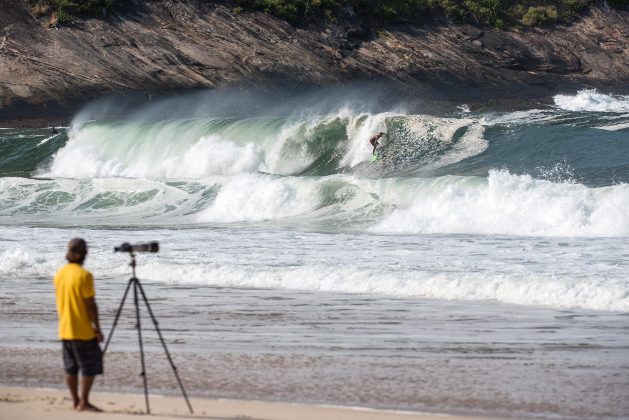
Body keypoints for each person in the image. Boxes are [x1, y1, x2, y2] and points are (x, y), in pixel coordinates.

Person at [54, 238, 104, 412]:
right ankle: (84, 401)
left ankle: (76, 401)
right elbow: (91, 305)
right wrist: (97, 328)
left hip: (65, 329)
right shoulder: (84, 275)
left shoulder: (60, 273)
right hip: (83, 331)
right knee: (90, 366)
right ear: (84, 254)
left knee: (71, 368)